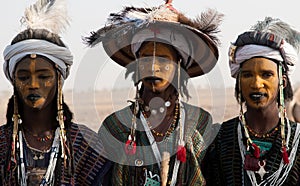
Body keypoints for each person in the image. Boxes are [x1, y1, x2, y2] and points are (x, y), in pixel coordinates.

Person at [84, 0, 223, 185]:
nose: (153, 67)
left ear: (178, 66)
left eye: (164, 60)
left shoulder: (200, 122)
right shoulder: (115, 126)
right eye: (145, 59)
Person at [0, 0, 110, 185]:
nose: (33, 85)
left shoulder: (87, 146)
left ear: (59, 80)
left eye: (44, 77)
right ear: (14, 81)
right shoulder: (3, 145)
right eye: (24, 77)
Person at [202, 17, 300, 185]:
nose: (256, 84)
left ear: (282, 81)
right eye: (247, 75)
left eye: (266, 75)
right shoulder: (218, 139)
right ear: (239, 81)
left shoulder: (297, 141)